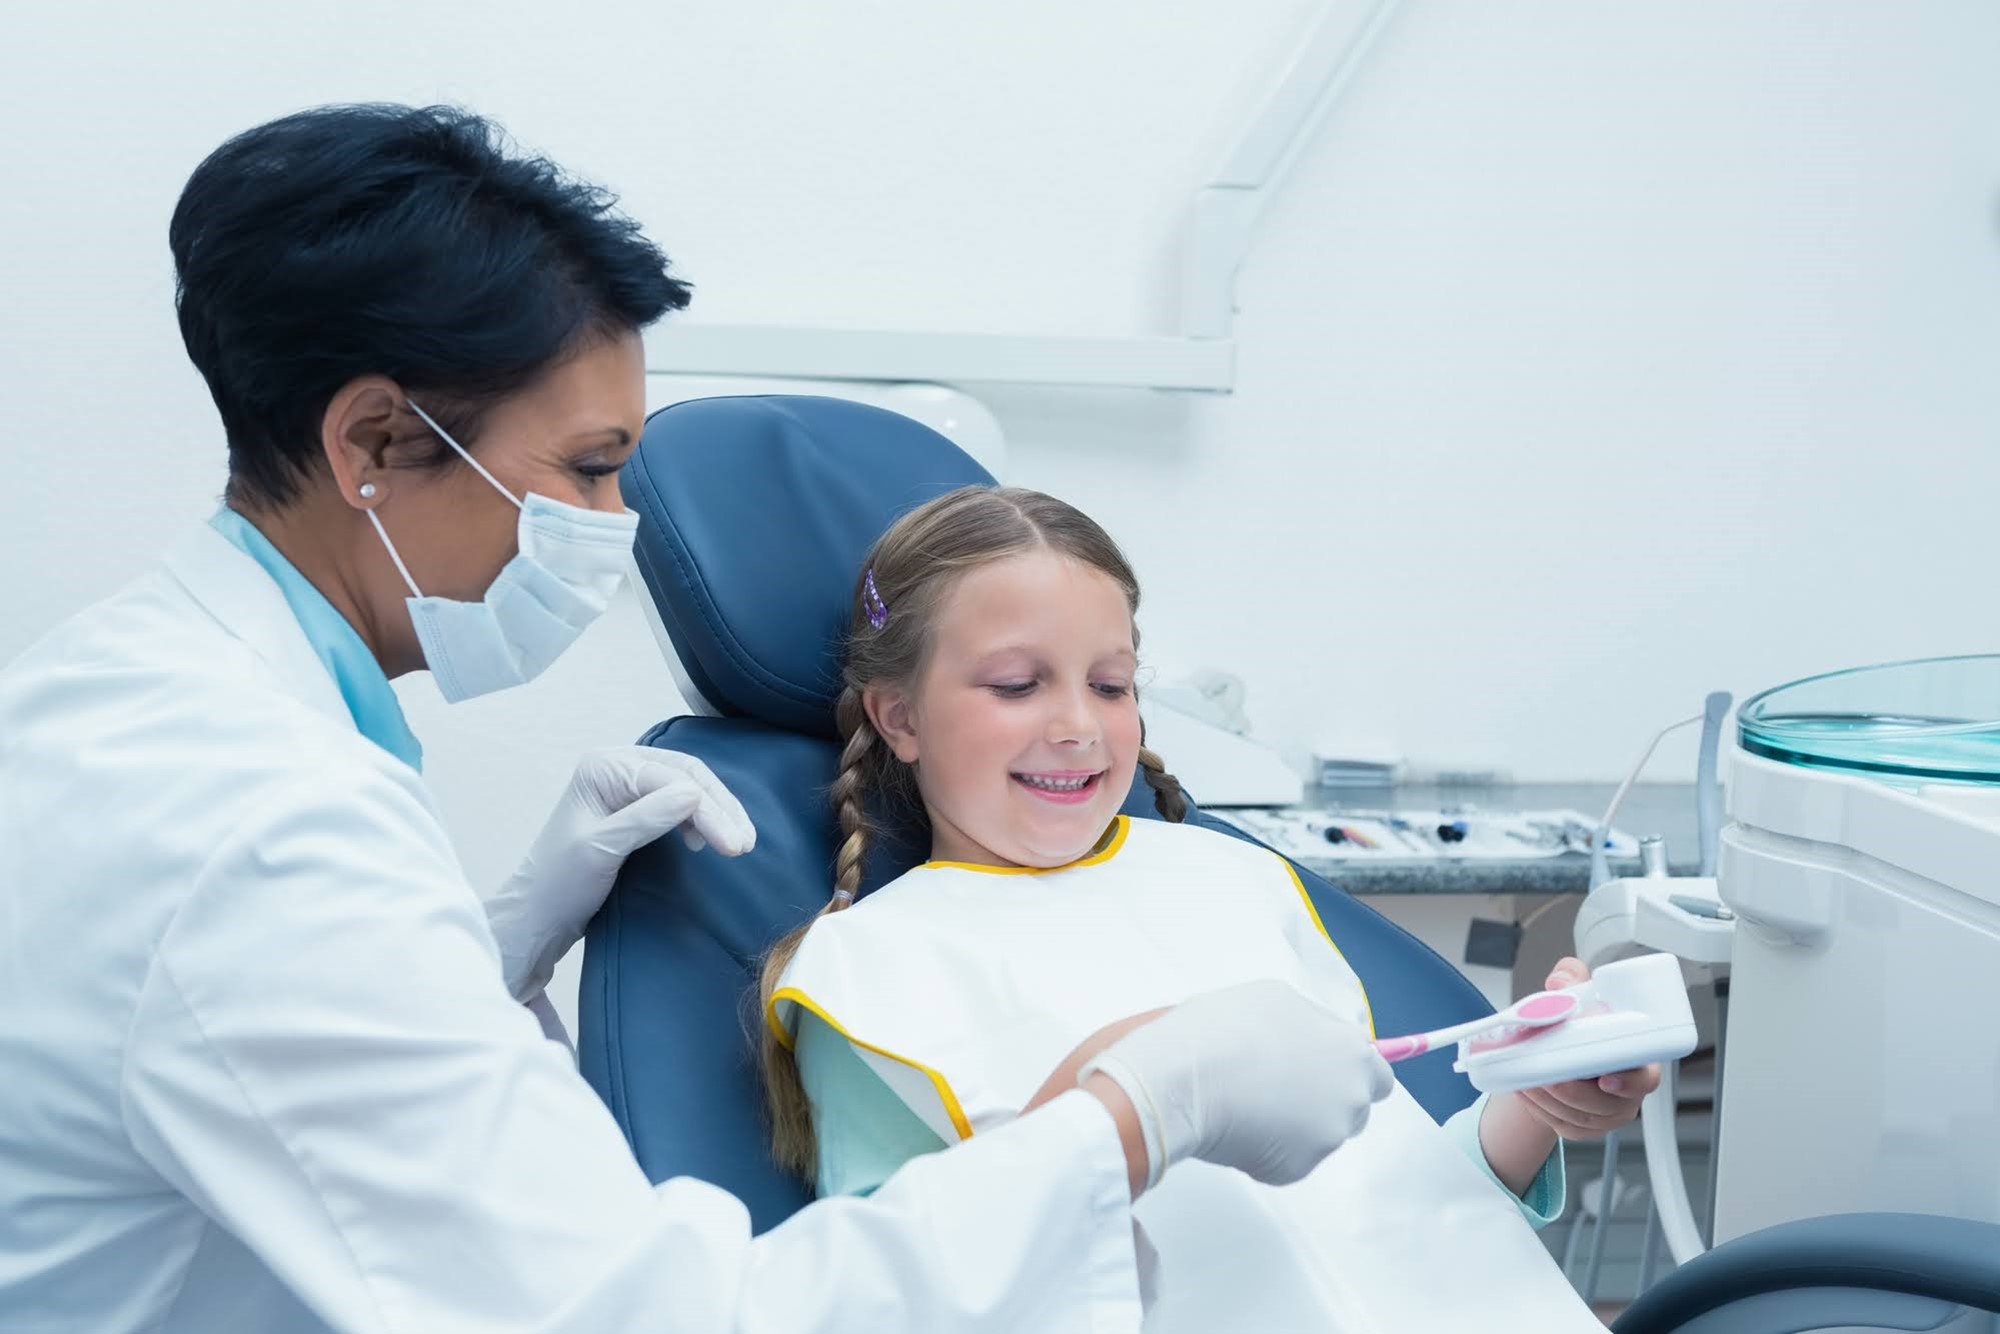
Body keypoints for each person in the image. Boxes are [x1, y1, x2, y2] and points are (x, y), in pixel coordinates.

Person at [0, 106, 1391, 1332]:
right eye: (593, 467)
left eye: (1111, 675)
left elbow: (245, 1041)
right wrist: (1143, 1110)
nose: (619, 527)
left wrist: (489, 947)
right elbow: (658, 1316)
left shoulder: (136, 697)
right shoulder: (257, 820)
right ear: (373, 443)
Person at [760, 486, 1664, 1331]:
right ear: (899, 718)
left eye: (1111, 685)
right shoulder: (869, 973)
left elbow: (1394, 1208)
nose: (1078, 722)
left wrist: (1535, 1107)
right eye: (1016, 685)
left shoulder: (1234, 883)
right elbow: (892, 1295)